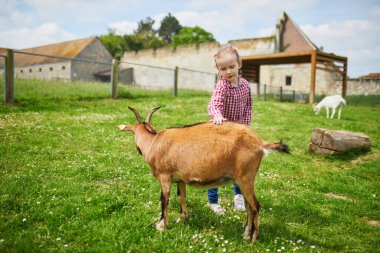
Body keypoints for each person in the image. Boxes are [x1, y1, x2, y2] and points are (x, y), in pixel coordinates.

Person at [207, 44, 252, 215]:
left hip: (237, 131)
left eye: (231, 67)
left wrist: (245, 125)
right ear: (218, 70)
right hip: (220, 130)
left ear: (239, 64)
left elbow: (248, 107)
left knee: (238, 165)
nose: (228, 72)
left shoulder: (245, 85)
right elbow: (214, 104)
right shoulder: (222, 86)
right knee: (215, 165)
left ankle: (238, 197)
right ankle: (213, 201)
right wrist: (217, 116)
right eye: (223, 69)